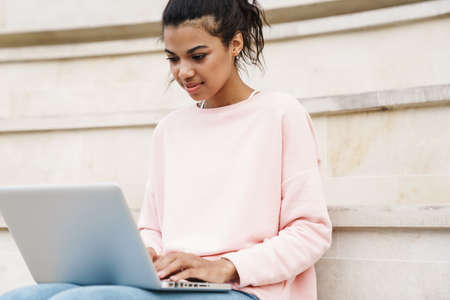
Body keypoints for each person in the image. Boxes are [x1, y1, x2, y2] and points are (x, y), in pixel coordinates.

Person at [1, 0, 332, 299]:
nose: (183, 72)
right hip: (173, 285)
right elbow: (153, 227)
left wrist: (226, 266)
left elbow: (310, 232)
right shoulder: (170, 129)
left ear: (235, 44)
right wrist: (146, 254)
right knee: (21, 297)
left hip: (248, 290)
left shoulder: (280, 113)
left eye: (197, 56)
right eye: (173, 59)